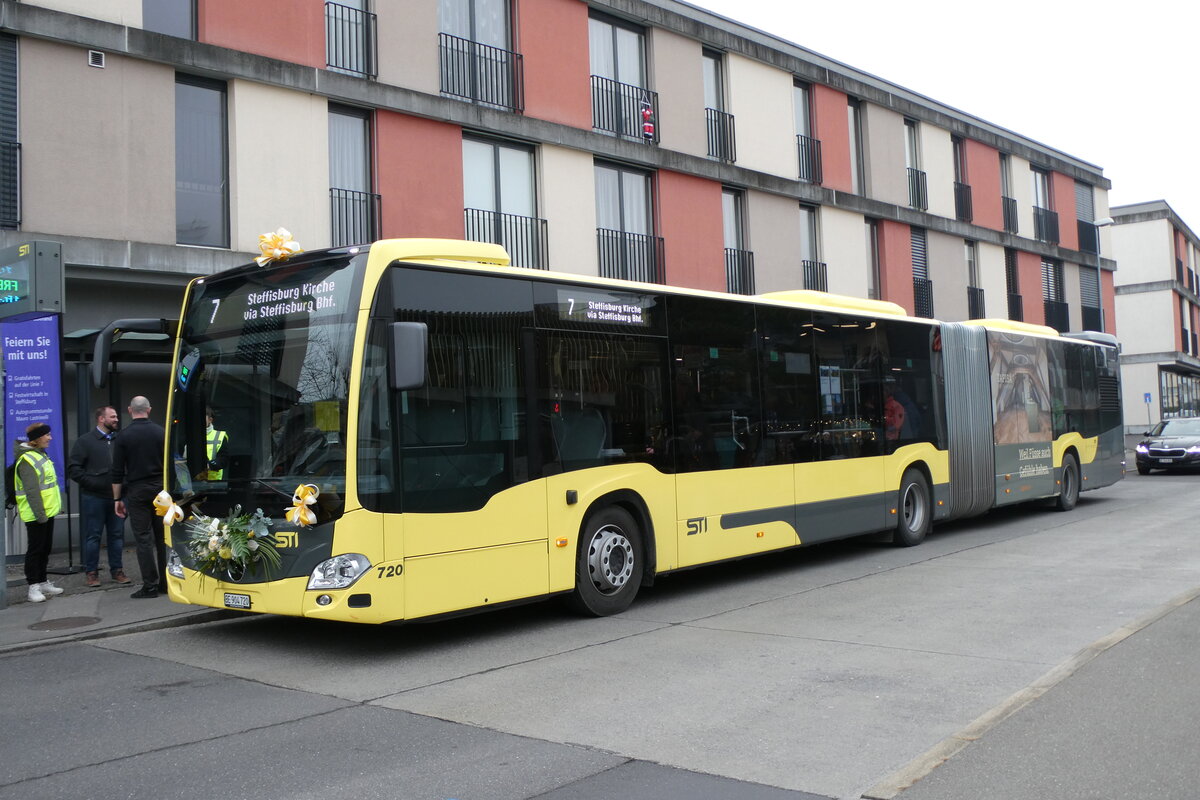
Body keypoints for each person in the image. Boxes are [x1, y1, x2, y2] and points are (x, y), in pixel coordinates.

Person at [111, 396, 167, 599]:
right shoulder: (161, 432)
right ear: (149, 410)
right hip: (161, 490)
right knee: (163, 538)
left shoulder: (123, 436)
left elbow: (117, 471)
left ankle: (150, 586)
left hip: (137, 490)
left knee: (143, 539)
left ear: (129, 410)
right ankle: (167, 583)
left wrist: (117, 499)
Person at [68, 406, 130, 587]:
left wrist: (125, 484)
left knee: (117, 535)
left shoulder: (120, 440)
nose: (116, 419)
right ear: (101, 419)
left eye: (116, 416)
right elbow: (74, 469)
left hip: (118, 497)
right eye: (112, 416)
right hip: (94, 497)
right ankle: (91, 573)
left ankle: (117, 571)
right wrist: (93, 483)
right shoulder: (85, 441)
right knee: (93, 536)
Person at [14, 422, 65, 603]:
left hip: (46, 511)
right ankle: (33, 586)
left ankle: (42, 581)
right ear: (37, 438)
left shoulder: (40, 455)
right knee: (35, 550)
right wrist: (40, 514)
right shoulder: (27, 460)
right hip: (36, 514)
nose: (50, 438)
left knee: (45, 548)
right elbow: (32, 491)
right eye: (47, 435)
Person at [202, 407, 228, 481]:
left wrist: (209, 465)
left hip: (214, 483)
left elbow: (223, 460)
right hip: (191, 484)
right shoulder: (189, 436)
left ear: (210, 420)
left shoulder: (220, 436)